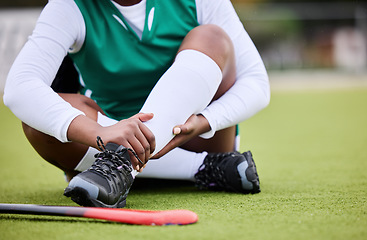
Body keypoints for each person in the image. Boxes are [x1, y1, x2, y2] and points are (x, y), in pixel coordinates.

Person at [3, 0, 270, 208]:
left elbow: (257, 84)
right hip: (103, 155)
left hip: (192, 140)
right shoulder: (68, 6)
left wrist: (205, 121)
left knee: (213, 37)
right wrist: (103, 134)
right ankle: (199, 168)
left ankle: (123, 164)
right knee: (37, 125)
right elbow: (19, 88)